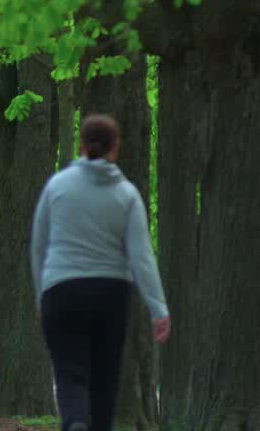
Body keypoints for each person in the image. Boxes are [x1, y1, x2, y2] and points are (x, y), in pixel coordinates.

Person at [30, 114, 171, 431]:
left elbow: (38, 246)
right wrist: (158, 309)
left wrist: (41, 296)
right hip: (110, 293)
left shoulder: (57, 186)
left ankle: (76, 422)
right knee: (105, 377)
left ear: (82, 145)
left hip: (61, 290)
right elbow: (141, 256)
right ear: (116, 147)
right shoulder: (126, 194)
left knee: (69, 371)